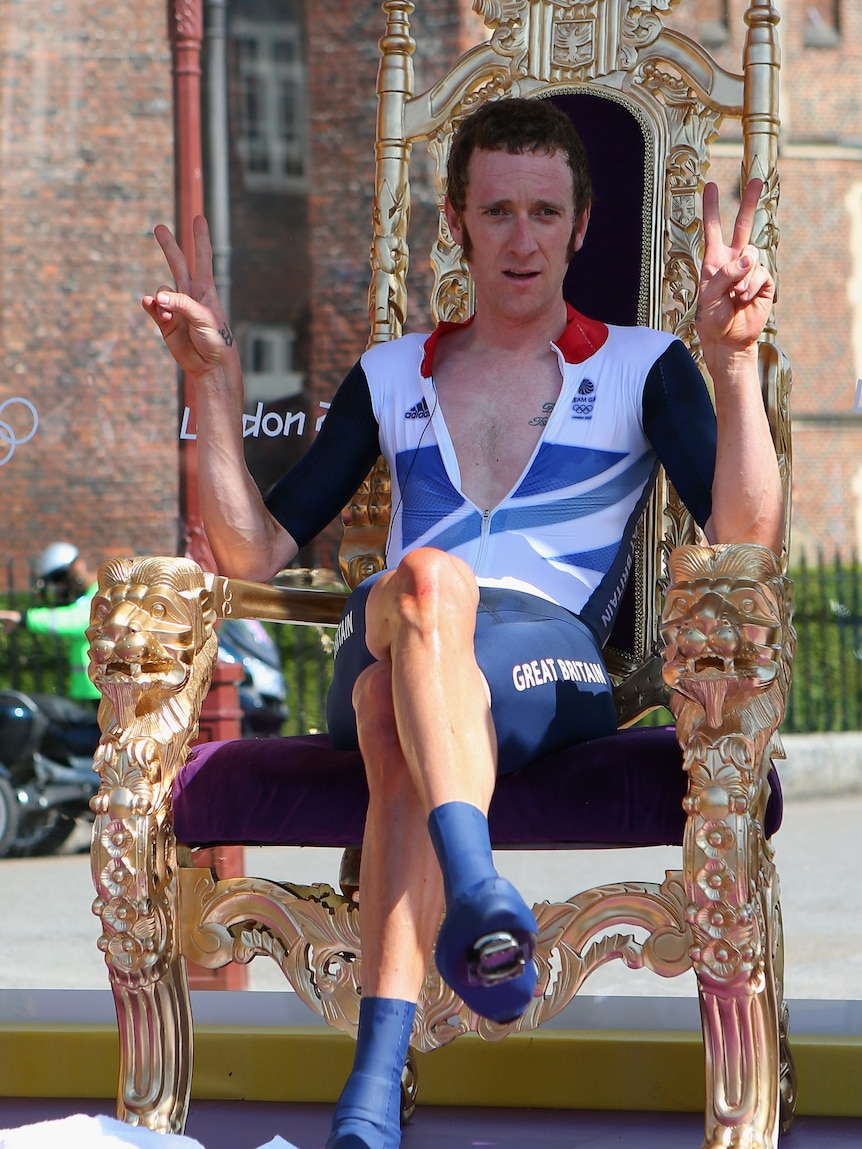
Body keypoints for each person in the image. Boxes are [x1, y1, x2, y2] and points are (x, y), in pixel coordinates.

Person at [143, 98, 783, 1149]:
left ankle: (371, 1095)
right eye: (496, 212)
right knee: (425, 588)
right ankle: (476, 889)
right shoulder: (389, 378)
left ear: (581, 226)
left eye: (543, 212)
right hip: (394, 627)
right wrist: (212, 380)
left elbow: (743, 532)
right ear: (456, 222)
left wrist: (734, 361)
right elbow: (254, 552)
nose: (520, 239)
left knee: (397, 710)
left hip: (548, 667)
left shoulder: (640, 365)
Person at [0, 542, 101, 703]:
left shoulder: (102, 593)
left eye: (60, 577)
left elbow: (77, 620)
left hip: (109, 689)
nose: (60, 585)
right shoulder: (86, 598)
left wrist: (24, 617)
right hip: (96, 689)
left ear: (77, 567)